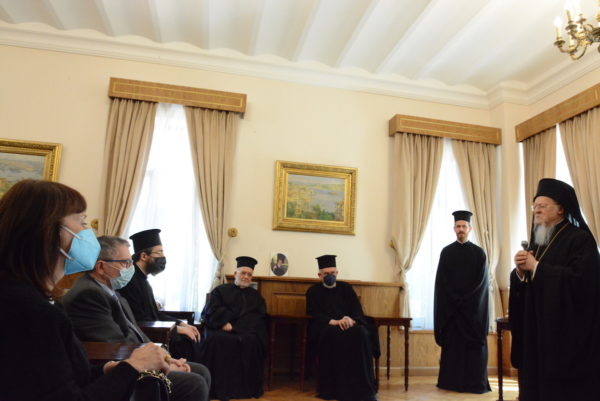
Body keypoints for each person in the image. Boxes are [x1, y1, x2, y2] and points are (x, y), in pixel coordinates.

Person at [0, 179, 171, 401]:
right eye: (82, 222)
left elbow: (58, 378)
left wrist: (107, 369)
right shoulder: (30, 312)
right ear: (49, 232)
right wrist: (133, 366)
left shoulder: (24, 298)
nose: (89, 232)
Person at [62, 235, 211, 401]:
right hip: (117, 369)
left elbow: (136, 333)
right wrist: (161, 364)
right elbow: (115, 345)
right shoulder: (88, 294)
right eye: (125, 263)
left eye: (130, 262)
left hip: (134, 357)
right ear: (101, 266)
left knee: (201, 371)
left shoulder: (111, 291)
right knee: (195, 383)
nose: (130, 268)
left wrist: (167, 358)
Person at [509, 178, 600, 401]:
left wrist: (536, 267)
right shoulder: (538, 241)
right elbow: (529, 283)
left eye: (542, 206)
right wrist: (520, 272)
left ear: (560, 209)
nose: (536, 210)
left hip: (564, 339)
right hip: (536, 333)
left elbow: (582, 283)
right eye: (534, 206)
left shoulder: (580, 240)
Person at [117, 228, 201, 359]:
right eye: (159, 252)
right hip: (146, 335)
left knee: (189, 336)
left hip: (156, 330)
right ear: (144, 256)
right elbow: (139, 320)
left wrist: (180, 323)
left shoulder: (143, 279)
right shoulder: (130, 281)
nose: (163, 257)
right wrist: (176, 329)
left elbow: (154, 314)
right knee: (186, 341)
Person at [306, 254, 379, 401]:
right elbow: (313, 313)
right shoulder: (313, 291)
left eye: (333, 273)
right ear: (319, 275)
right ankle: (335, 389)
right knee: (332, 335)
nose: (330, 276)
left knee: (361, 333)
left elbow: (356, 310)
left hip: (349, 325)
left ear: (337, 273)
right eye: (326, 274)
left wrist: (350, 319)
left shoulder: (346, 288)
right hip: (328, 327)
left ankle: (363, 388)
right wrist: (333, 321)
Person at [433, 210, 490, 394]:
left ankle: (475, 384)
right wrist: (455, 299)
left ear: (470, 228)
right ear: (454, 229)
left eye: (464, 226)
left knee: (474, 349)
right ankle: (451, 382)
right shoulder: (446, 252)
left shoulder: (479, 253)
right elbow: (442, 282)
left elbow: (481, 283)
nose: (461, 229)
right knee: (453, 348)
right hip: (453, 311)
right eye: (458, 226)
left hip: (472, 311)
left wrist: (465, 300)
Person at [198, 256, 268, 401]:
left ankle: (244, 390)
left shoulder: (256, 297)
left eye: (249, 274)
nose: (246, 277)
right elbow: (211, 311)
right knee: (217, 340)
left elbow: (258, 318)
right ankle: (217, 389)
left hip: (244, 331)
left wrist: (237, 327)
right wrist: (223, 322)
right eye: (243, 273)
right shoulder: (220, 291)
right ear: (235, 274)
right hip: (221, 329)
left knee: (253, 341)